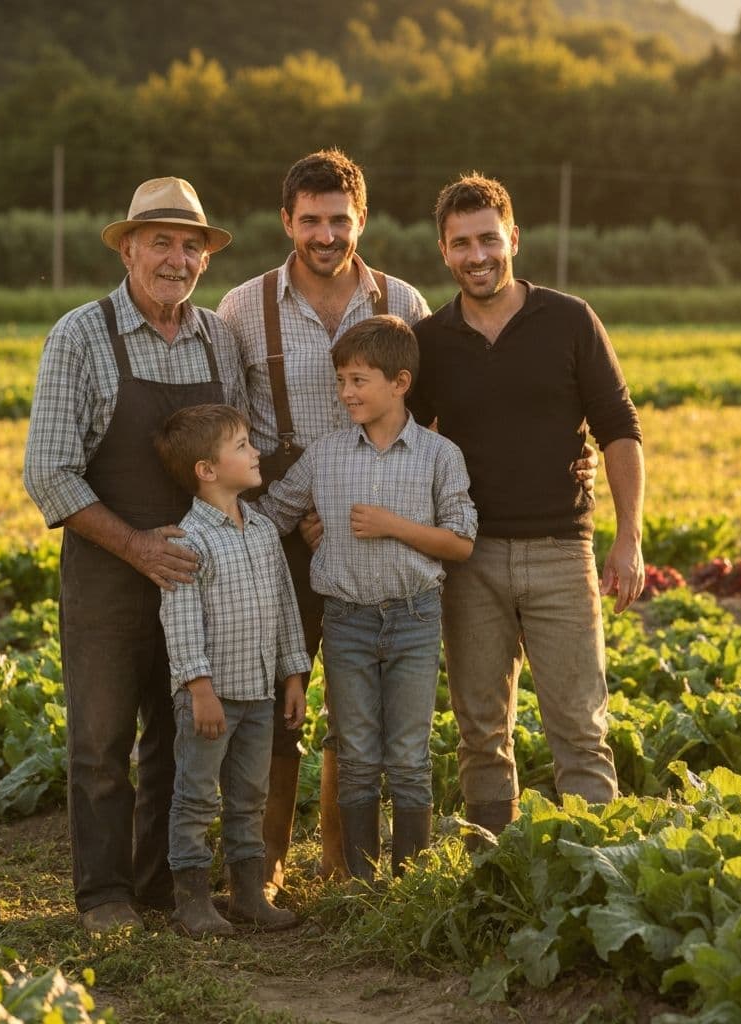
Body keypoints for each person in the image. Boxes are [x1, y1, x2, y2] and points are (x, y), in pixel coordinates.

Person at [23, 177, 247, 933]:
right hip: (109, 569)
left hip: (197, 573)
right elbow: (49, 472)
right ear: (127, 247)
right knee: (102, 737)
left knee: (180, 735)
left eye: (191, 245)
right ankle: (104, 894)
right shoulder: (80, 335)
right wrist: (137, 546)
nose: (177, 258)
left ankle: (162, 885)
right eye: (161, 241)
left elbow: (240, 455)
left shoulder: (222, 338)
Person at [215, 149, 430, 887]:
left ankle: (344, 857)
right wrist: (296, 506)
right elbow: (224, 424)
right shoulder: (243, 307)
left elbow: (426, 420)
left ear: (361, 219)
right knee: (277, 689)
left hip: (373, 521)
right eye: (311, 220)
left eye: (340, 220)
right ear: (287, 222)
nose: (326, 234)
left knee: (359, 686)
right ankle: (267, 856)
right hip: (280, 529)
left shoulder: (404, 300)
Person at [408, 173, 645, 836]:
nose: (477, 255)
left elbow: (619, 427)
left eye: (489, 238)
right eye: (462, 244)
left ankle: (592, 866)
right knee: (481, 729)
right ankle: (497, 861)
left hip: (561, 553)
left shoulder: (567, 320)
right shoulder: (431, 341)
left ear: (514, 237)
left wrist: (629, 538)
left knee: (580, 722)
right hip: (469, 559)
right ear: (444, 252)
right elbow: (407, 441)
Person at [256, 316, 477, 880]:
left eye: (359, 380)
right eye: (341, 381)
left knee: (408, 755)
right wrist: (212, 519)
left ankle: (410, 884)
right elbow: (273, 513)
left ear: (400, 383)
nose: (346, 393)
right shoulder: (325, 454)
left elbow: (460, 542)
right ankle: (358, 883)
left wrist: (391, 525)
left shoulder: (439, 455)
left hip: (414, 619)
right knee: (353, 753)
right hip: (348, 622)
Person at [154, 404, 310, 934]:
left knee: (249, 799)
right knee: (196, 797)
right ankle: (192, 902)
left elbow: (286, 607)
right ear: (207, 469)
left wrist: (293, 676)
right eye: (242, 445)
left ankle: (248, 895)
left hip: (260, 697)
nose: (256, 451)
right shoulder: (186, 541)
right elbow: (180, 622)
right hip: (211, 698)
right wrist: (199, 689)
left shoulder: (263, 531)